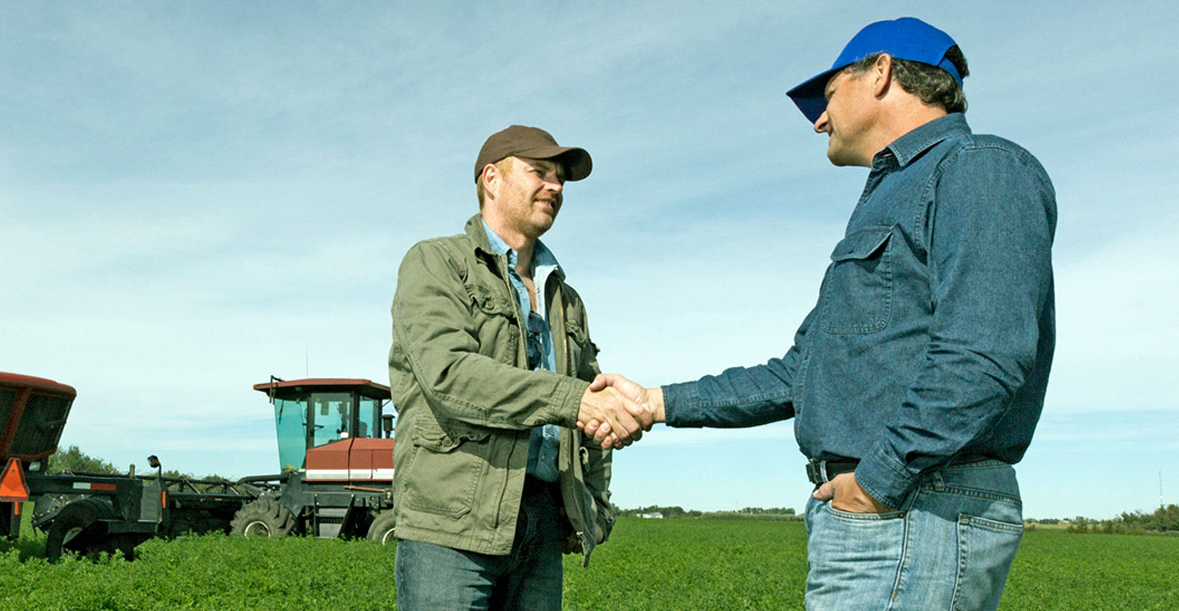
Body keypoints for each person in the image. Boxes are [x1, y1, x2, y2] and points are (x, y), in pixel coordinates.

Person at [588, 18, 1056, 610]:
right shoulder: (893, 196)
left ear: (881, 72)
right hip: (892, 512)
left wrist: (877, 483)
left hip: (916, 508)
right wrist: (655, 403)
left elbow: (983, 355)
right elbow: (800, 373)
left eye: (828, 95)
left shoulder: (979, 167)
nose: (819, 119)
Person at [387, 125, 650, 609]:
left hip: (542, 523)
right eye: (540, 172)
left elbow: (590, 402)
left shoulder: (565, 299)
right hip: (452, 524)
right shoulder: (436, 263)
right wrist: (572, 401)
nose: (555, 186)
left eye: (561, 179)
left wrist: (594, 503)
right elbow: (450, 376)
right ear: (492, 178)